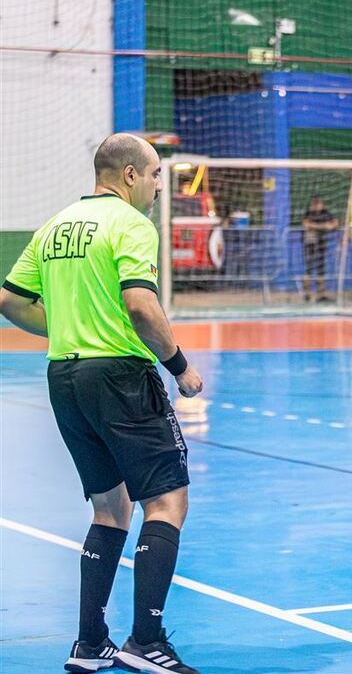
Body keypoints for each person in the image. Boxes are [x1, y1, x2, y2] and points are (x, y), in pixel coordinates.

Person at [0, 133, 203, 674]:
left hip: (65, 378)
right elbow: (140, 305)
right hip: (118, 373)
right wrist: (180, 366)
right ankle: (147, 641)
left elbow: (9, 300)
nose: (160, 186)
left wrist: (63, 327)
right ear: (130, 175)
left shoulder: (55, 225)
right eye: (156, 174)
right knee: (167, 501)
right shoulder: (132, 225)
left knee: (111, 507)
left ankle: (90, 643)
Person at [302, 196, 338, 302]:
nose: (318, 206)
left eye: (320, 203)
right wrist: (323, 226)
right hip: (310, 243)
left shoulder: (326, 213)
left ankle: (321, 294)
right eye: (316, 204)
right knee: (309, 268)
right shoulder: (309, 213)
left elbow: (334, 223)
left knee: (321, 269)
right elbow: (306, 224)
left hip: (322, 243)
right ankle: (307, 294)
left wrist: (320, 226)